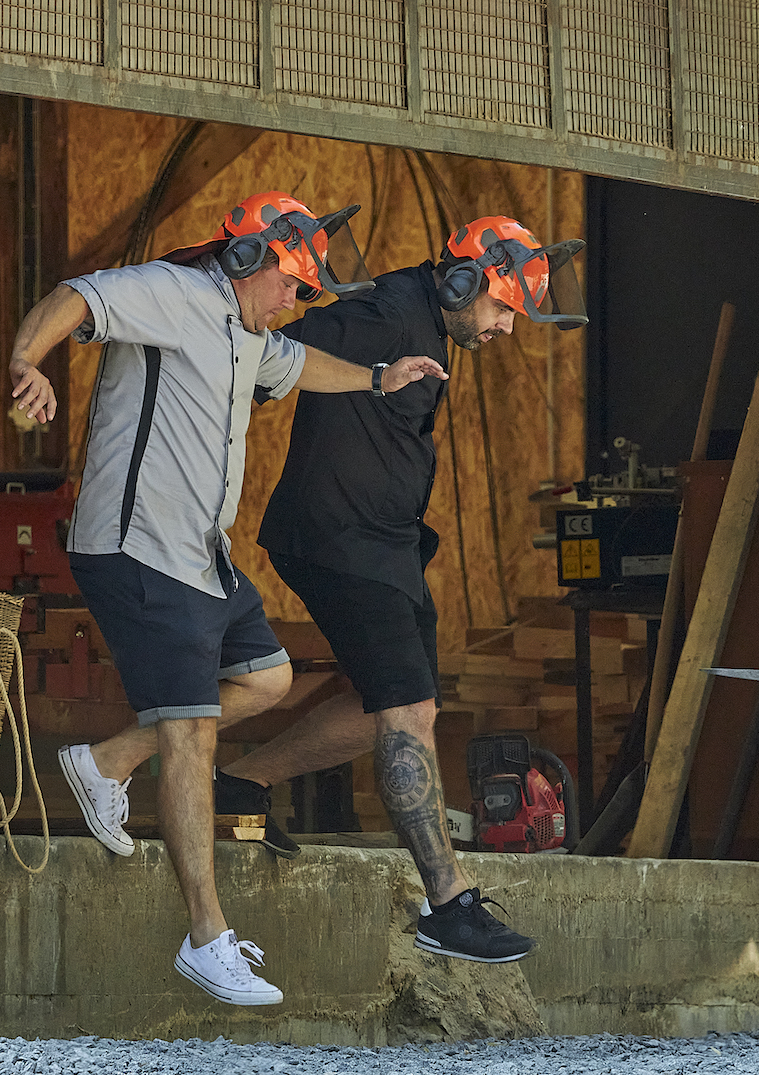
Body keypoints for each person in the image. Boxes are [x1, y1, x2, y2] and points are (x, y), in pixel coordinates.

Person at [8, 191, 446, 1006]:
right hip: (137, 546)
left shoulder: (251, 335)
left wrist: (379, 377)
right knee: (193, 733)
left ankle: (105, 763)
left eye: (307, 293)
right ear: (246, 259)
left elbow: (298, 366)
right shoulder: (173, 295)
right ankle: (206, 937)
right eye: (291, 284)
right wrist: (25, 363)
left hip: (201, 558)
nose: (297, 302)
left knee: (270, 679)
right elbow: (78, 296)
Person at [212, 217, 588, 964]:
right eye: (502, 308)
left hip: (389, 547)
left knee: (391, 706)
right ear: (461, 282)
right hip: (337, 538)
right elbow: (268, 345)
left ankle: (238, 782)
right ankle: (448, 902)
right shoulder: (382, 311)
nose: (507, 327)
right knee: (406, 710)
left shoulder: (426, 319)